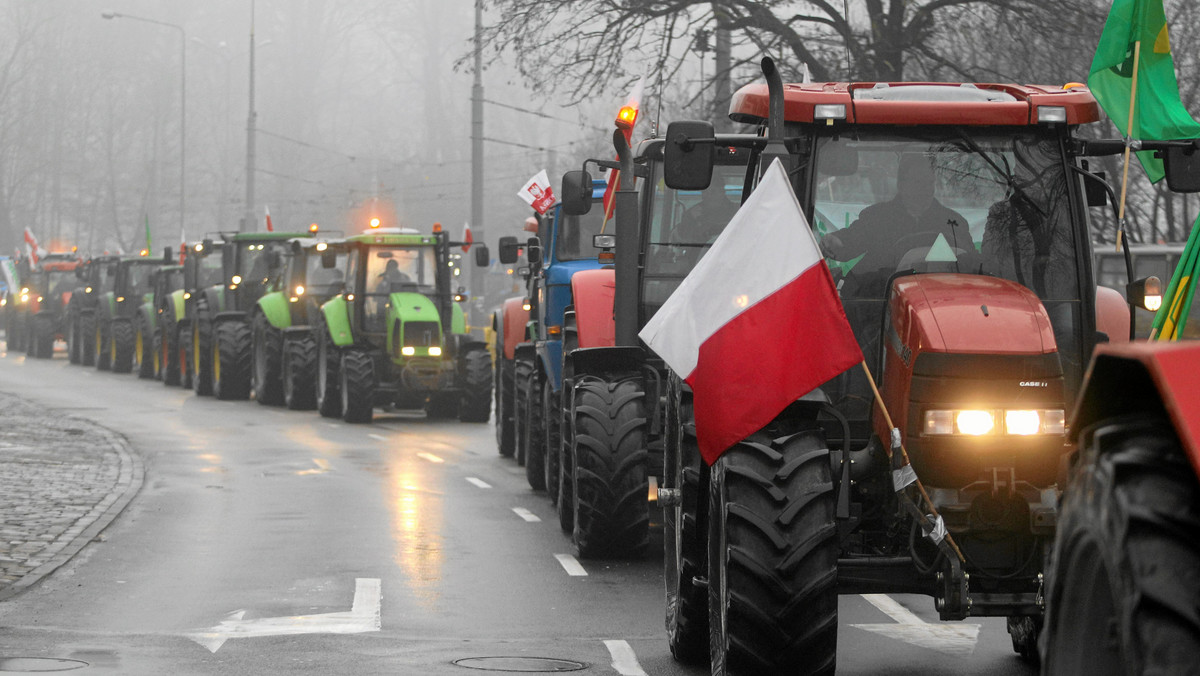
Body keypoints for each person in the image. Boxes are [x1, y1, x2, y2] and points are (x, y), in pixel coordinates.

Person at [821, 154, 970, 293]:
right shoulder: (877, 217)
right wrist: (836, 241)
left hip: (940, 297)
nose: (926, 188)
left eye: (929, 182)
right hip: (881, 299)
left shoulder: (953, 223)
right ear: (901, 185)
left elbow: (971, 264)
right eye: (918, 182)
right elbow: (852, 241)